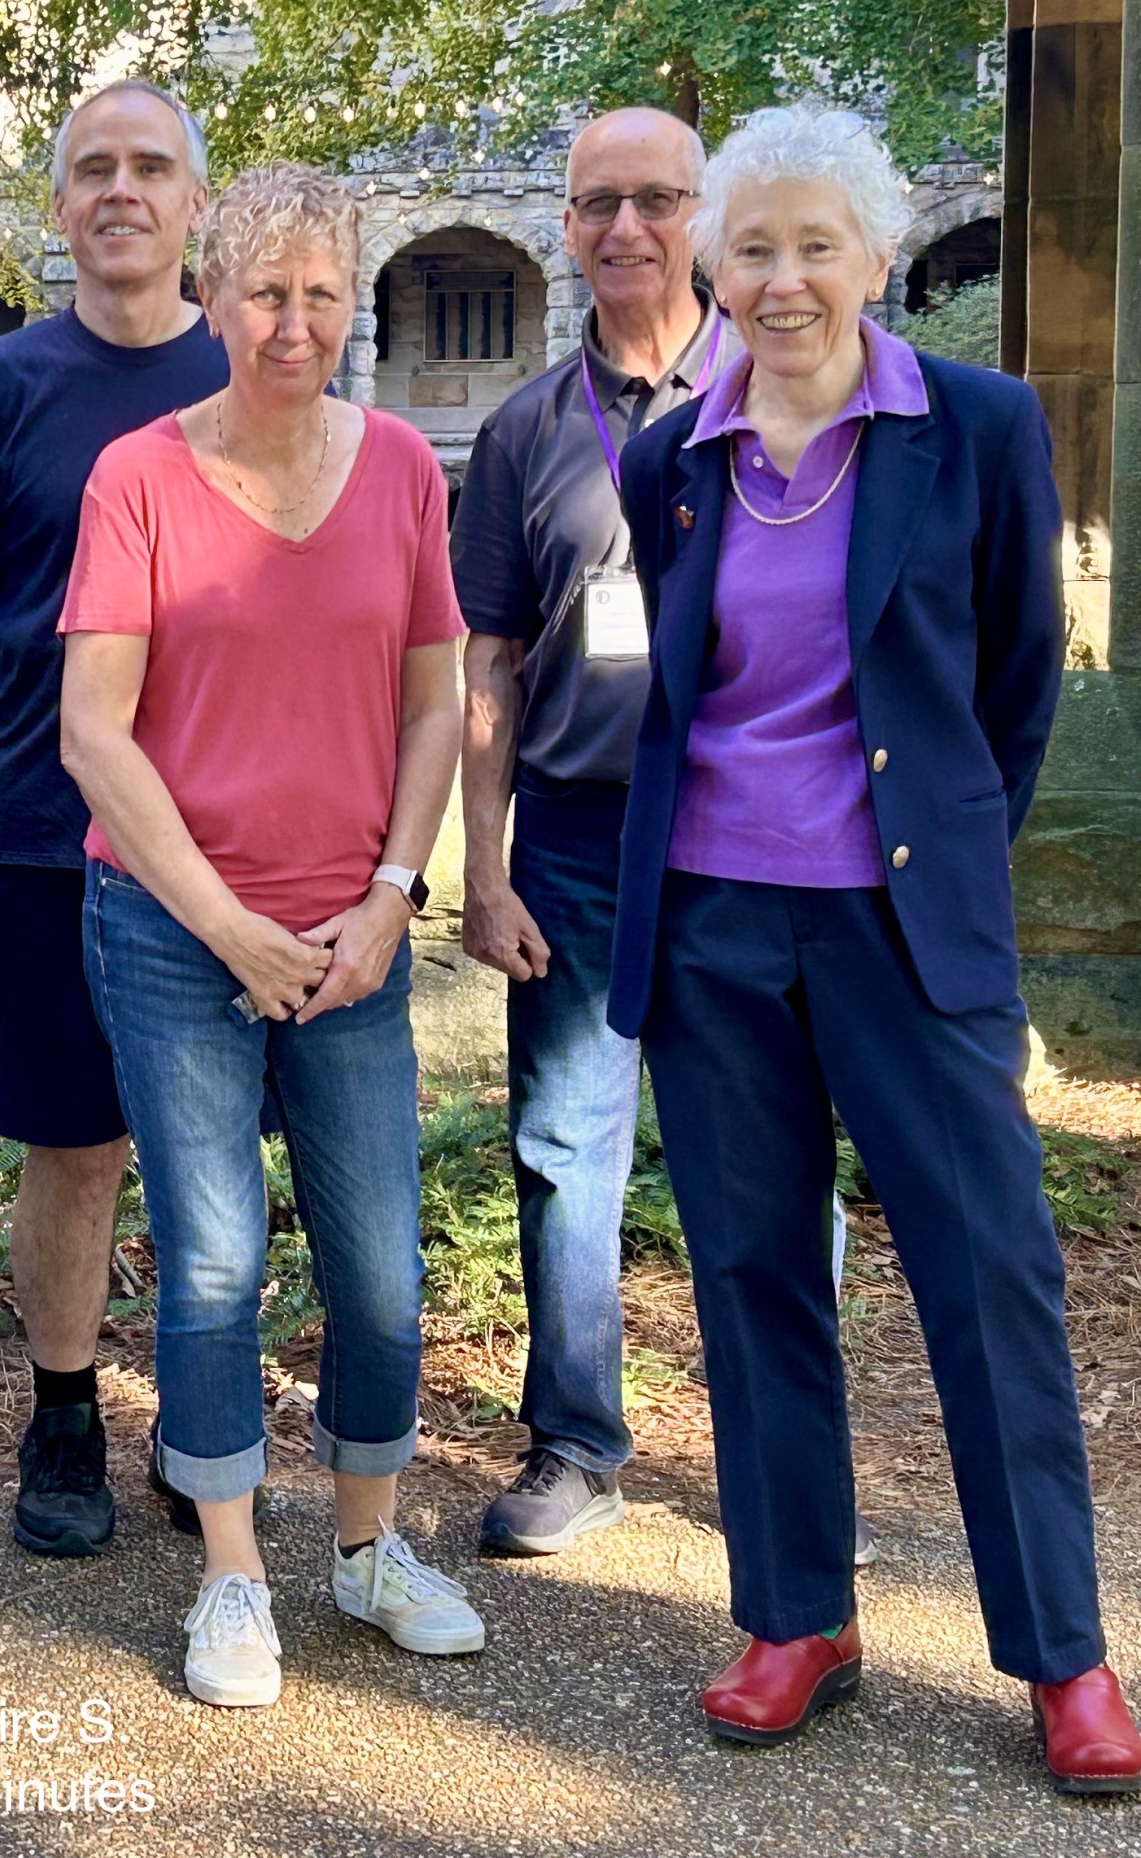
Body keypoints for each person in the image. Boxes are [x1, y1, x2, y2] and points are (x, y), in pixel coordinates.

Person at [608, 106, 1141, 1793]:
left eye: (812, 246)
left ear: (877, 259)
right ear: (715, 267)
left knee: (990, 1278)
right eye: (749, 251)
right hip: (711, 926)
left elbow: (1013, 689)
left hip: (906, 930)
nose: (781, 282)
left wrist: (940, 853)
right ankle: (795, 1618)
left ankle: (1064, 1655)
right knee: (756, 1274)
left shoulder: (975, 428)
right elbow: (690, 693)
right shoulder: (669, 460)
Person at [59, 164, 481, 1710]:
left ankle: (366, 1548)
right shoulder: (140, 479)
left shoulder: (404, 475)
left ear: (348, 301)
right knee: (219, 1257)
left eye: (320, 293)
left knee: (377, 1270)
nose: (292, 323)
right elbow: (94, 735)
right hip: (180, 930)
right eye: (263, 293)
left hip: (352, 937)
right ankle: (233, 1574)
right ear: (213, 298)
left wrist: (388, 894)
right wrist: (229, 925)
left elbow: (438, 700)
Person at [0, 80, 226, 1557]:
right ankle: (62, 1412)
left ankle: (202, 1408)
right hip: (55, 828)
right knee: (75, 1142)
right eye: (92, 169)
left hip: (242, 841)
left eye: (150, 167)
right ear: (60, 208)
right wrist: (37, 647)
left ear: (193, 203)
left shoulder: (257, 369)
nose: (121, 191)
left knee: (211, 1143)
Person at [450, 105, 730, 1560]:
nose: (625, 228)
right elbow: (487, 661)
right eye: (597, 204)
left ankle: (773, 1448)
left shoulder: (777, 388)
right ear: (566, 226)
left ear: (701, 211)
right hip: (574, 833)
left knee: (766, 1144)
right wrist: (481, 869)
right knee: (565, 1146)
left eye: (655, 200)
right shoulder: (520, 435)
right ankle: (574, 1444)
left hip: (749, 833)